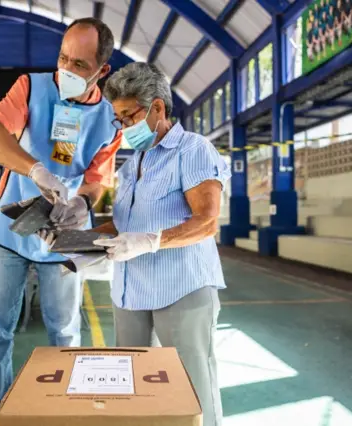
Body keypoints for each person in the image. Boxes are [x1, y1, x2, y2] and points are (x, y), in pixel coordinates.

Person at [56, 63, 230, 426]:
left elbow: (206, 221)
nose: (122, 127)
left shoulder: (192, 150)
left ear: (157, 108)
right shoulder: (133, 163)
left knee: (191, 388)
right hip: (130, 293)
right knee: (134, 387)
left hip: (181, 288)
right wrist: (72, 238)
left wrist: (152, 241)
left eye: (127, 116)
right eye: (117, 119)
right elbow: (124, 224)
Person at [0, 17, 121, 426]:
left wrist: (82, 205)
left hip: (61, 238)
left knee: (65, 336)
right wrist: (36, 169)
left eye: (80, 65)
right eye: (63, 58)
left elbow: (96, 180)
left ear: (101, 71)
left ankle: (61, 416)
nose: (66, 70)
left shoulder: (111, 121)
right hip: (8, 236)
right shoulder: (31, 88)